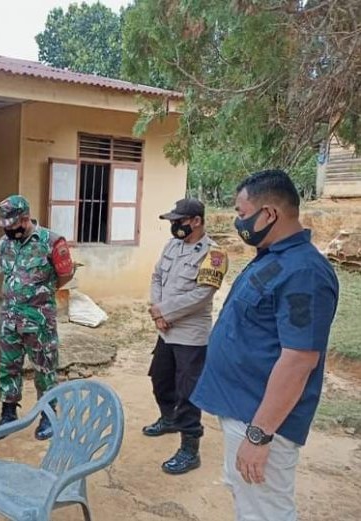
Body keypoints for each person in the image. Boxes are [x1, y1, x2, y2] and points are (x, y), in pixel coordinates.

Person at [191, 170, 339, 520]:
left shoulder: (305, 273)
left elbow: (300, 359)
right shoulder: (273, 257)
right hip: (242, 409)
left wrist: (259, 436)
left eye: (242, 214)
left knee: (265, 512)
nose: (238, 222)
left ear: (269, 214)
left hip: (260, 419)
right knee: (247, 500)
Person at [144, 198, 228, 474]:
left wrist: (164, 312)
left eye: (178, 220)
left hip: (190, 335)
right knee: (160, 378)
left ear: (196, 221)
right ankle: (169, 418)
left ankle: (190, 449)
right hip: (165, 331)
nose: (174, 225)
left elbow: (202, 295)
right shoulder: (173, 246)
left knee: (188, 391)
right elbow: (156, 277)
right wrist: (159, 312)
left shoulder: (215, 255)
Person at [0, 195, 75, 440]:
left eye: (12, 224)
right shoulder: (4, 243)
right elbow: (5, 275)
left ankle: (48, 416)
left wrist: (42, 294)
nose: (8, 229)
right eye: (5, 225)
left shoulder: (51, 241)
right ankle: (8, 413)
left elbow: (65, 275)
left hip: (39, 319)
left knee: (44, 368)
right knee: (8, 366)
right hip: (9, 316)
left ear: (25, 218)